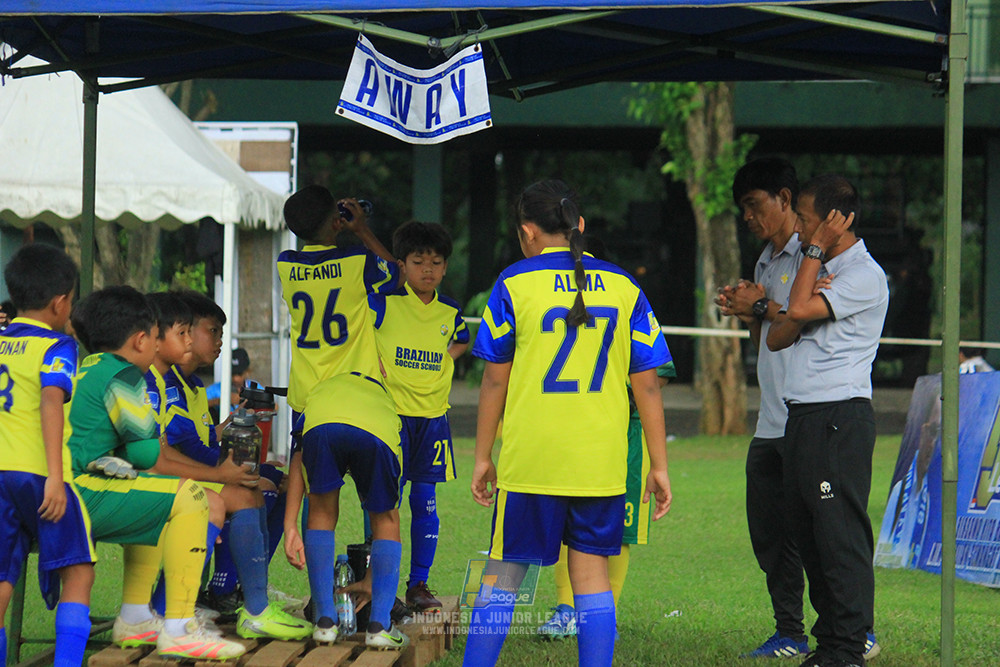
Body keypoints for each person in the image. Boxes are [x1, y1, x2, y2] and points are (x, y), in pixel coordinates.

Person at [463, 179, 673, 667]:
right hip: (600, 461)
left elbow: (494, 383)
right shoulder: (625, 287)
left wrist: (481, 456)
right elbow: (647, 386)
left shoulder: (512, 284)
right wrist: (658, 466)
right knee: (591, 577)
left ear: (526, 232)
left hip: (532, 458)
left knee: (504, 575)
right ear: (579, 226)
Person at [68, 286, 246, 661]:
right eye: (155, 335)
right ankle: (179, 626)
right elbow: (146, 453)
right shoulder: (126, 377)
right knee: (192, 497)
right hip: (79, 495)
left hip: (65, 487)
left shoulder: (89, 367)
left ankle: (135, 617)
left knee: (153, 494)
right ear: (140, 340)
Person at [766, 175, 889, 667]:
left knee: (839, 532)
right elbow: (778, 335)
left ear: (841, 221)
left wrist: (812, 258)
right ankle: (831, 642)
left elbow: (795, 309)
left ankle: (849, 646)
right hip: (803, 413)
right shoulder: (815, 268)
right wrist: (810, 269)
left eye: (808, 221)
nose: (799, 230)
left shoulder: (862, 273)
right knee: (808, 530)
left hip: (839, 415)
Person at [150, 290, 308, 641]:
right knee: (247, 492)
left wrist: (239, 421)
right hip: (144, 485)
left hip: (170, 475)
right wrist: (230, 475)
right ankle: (229, 596)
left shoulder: (190, 385)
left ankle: (245, 595)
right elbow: (178, 455)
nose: (216, 341)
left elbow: (202, 441)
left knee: (271, 481)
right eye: (211, 331)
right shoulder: (161, 385)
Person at [716, 157, 810, 658]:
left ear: (785, 198)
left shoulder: (818, 254)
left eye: (755, 206)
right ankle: (789, 632)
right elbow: (768, 335)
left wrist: (759, 305)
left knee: (823, 532)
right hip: (769, 418)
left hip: (813, 413)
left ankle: (853, 628)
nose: (748, 217)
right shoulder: (765, 260)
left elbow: (807, 319)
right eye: (743, 209)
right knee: (771, 535)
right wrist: (743, 306)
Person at [0, 244, 95, 667]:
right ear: (60, 303)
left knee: (2, 581)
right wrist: (56, 477)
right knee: (79, 571)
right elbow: (51, 401)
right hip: (39, 474)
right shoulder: (58, 345)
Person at [368, 220, 469, 611]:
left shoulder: (450, 311)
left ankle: (418, 584)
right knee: (382, 502)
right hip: (390, 417)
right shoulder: (383, 303)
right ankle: (381, 586)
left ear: (445, 267)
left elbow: (460, 340)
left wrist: (444, 363)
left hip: (432, 420)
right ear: (402, 266)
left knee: (425, 501)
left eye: (436, 262)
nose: (428, 269)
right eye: (418, 261)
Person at [537, 363, 675, 640]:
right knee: (568, 519)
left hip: (626, 436)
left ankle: (603, 616)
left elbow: (659, 374)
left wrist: (615, 395)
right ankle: (567, 610)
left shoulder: (635, 317)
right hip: (571, 430)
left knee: (618, 528)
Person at [283, 371, 410, 650]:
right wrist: (372, 578)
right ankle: (380, 626)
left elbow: (298, 455)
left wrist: (290, 523)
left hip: (322, 423)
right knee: (386, 520)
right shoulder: (391, 401)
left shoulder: (323, 388)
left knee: (321, 512)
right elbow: (387, 518)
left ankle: (325, 623)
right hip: (376, 430)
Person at [278, 186, 400, 419]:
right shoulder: (356, 261)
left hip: (307, 397)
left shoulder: (286, 265)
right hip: (354, 396)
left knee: (304, 456)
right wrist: (362, 230)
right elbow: (395, 275)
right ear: (337, 222)